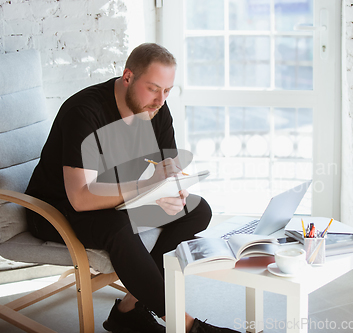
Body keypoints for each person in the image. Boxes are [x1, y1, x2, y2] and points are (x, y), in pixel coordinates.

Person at [25, 43, 238, 333]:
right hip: (56, 210)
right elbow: (81, 198)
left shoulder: (155, 108)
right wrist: (147, 186)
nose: (161, 99)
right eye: (153, 88)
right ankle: (186, 325)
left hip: (117, 201)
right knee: (117, 226)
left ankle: (130, 307)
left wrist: (173, 192)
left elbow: (168, 167)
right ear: (128, 77)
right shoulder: (84, 112)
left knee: (197, 209)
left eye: (167, 90)